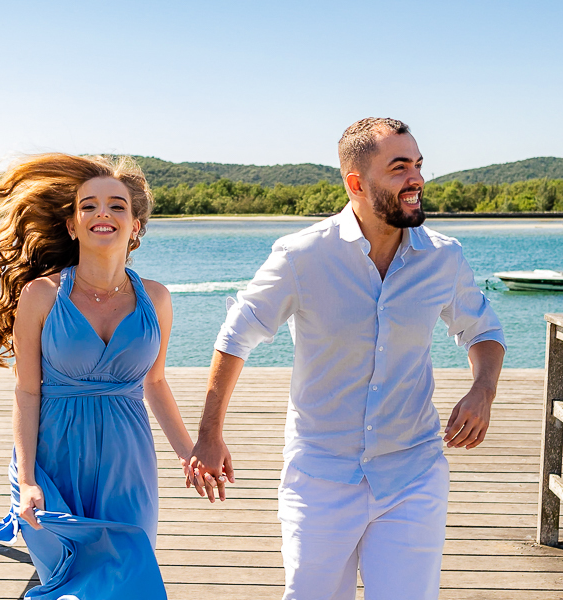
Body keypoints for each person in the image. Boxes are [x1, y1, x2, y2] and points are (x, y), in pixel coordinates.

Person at [186, 118, 506, 600]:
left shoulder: (444, 257)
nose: (416, 179)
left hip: (412, 474)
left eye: (418, 165)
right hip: (320, 478)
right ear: (356, 184)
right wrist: (210, 434)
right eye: (399, 168)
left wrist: (483, 390)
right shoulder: (301, 255)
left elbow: (483, 329)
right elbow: (237, 334)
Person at [0, 153, 194, 599]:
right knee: (70, 587)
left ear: (135, 226)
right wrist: (28, 479)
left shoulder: (157, 299)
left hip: (128, 464)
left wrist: (189, 453)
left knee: (130, 579)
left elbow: (155, 383)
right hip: (54, 460)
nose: (103, 213)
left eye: (117, 205)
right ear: (72, 225)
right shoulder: (42, 295)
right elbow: (27, 392)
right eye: (89, 205)